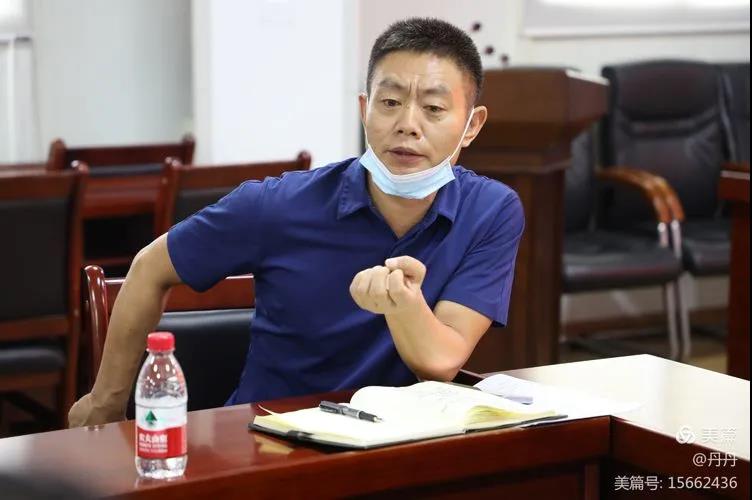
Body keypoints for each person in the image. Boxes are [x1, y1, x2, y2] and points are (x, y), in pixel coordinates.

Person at [68, 17, 524, 427]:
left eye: (434, 109)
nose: (408, 124)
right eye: (389, 102)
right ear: (364, 108)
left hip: (396, 447)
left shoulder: (490, 211)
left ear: (471, 125)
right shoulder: (278, 204)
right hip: (272, 443)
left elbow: (439, 362)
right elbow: (149, 267)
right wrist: (105, 403)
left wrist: (402, 303)